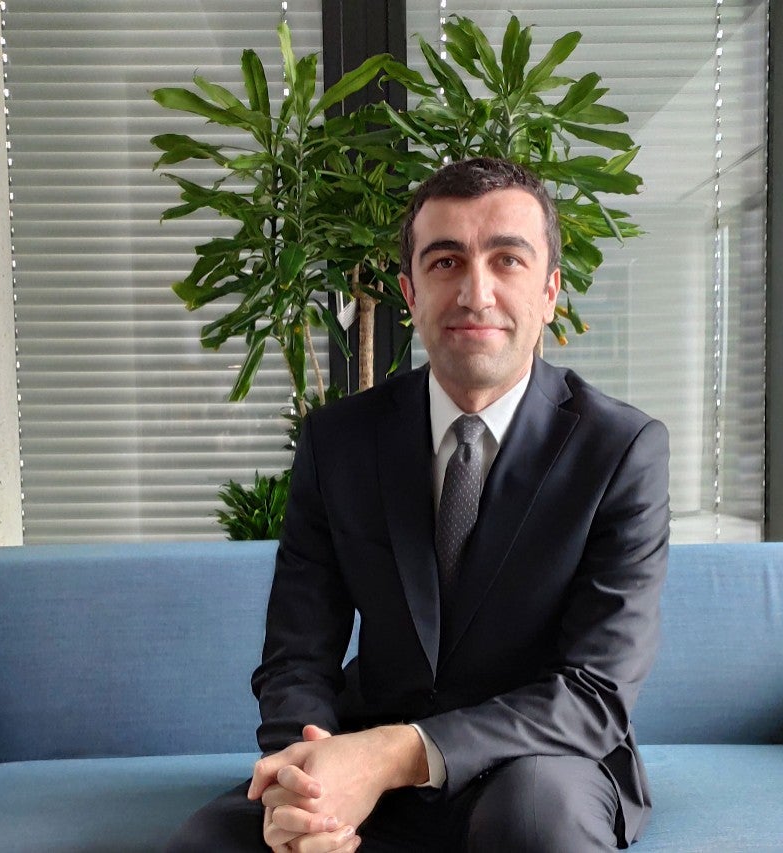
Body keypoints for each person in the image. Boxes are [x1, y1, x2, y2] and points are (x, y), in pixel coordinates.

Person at [166, 157, 670, 852]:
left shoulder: (619, 449)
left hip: (540, 761)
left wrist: (394, 753)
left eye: (507, 260)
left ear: (550, 290)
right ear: (409, 291)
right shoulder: (338, 441)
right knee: (209, 843)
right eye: (445, 262)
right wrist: (304, 780)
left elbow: (594, 690)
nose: (475, 292)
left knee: (532, 825)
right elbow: (297, 655)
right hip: (367, 755)